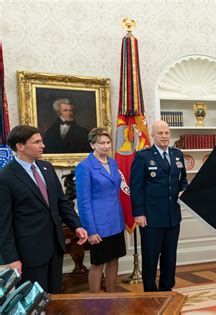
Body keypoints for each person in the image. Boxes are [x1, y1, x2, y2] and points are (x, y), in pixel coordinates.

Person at [0, 125, 88, 293]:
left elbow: (62, 202)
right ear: (20, 146)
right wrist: (12, 258)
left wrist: (76, 226)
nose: (43, 145)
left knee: (55, 296)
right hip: (29, 253)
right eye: (37, 142)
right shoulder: (5, 177)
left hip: (55, 247)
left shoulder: (46, 168)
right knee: (34, 301)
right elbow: (3, 223)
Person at [130, 120, 188, 292]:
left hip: (172, 216)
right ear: (153, 135)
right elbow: (136, 187)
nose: (164, 136)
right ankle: (150, 292)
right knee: (151, 257)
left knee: (170, 257)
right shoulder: (143, 156)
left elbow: (183, 179)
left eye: (167, 133)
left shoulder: (178, 154)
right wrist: (138, 213)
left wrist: (183, 189)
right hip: (151, 217)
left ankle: (166, 290)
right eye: (160, 133)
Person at [76, 128, 126, 293]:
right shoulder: (85, 167)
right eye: (101, 143)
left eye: (108, 142)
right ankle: (95, 301)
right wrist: (90, 230)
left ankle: (111, 295)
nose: (106, 146)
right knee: (98, 263)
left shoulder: (113, 162)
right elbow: (84, 202)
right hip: (98, 225)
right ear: (92, 145)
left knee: (114, 259)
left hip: (116, 221)